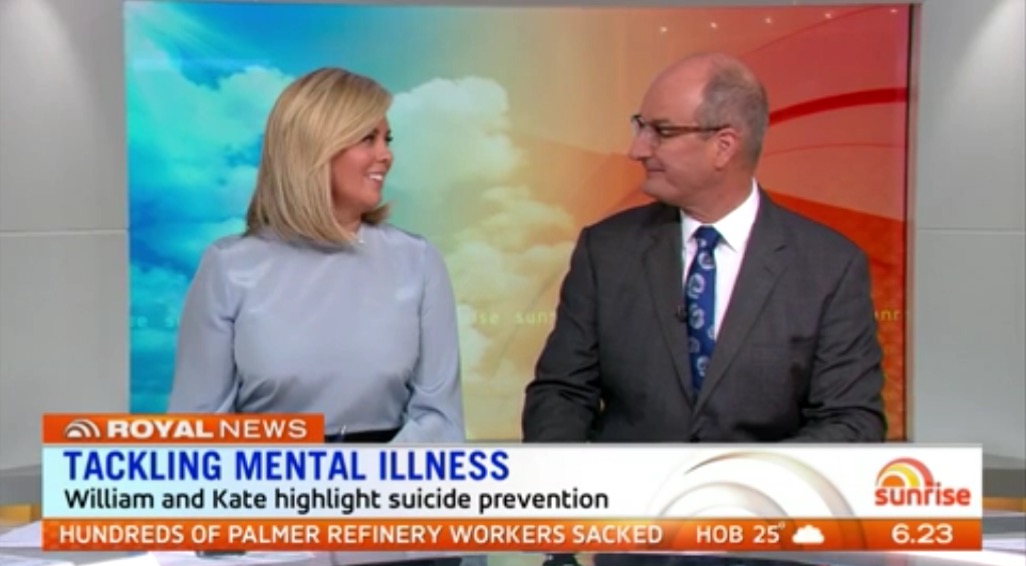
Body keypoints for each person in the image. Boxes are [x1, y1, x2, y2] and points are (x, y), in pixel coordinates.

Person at [522, 52, 886, 443]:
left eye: (661, 131)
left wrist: (744, 476)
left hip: (762, 483)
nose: (637, 149)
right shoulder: (606, 250)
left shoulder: (830, 266)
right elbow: (561, 395)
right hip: (628, 484)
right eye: (640, 127)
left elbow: (851, 420)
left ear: (723, 146)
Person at [167, 67, 465, 444]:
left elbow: (440, 422)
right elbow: (196, 430)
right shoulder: (229, 267)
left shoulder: (417, 262)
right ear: (315, 147)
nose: (386, 155)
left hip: (392, 478)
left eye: (386, 139)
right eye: (367, 139)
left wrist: (365, 474)